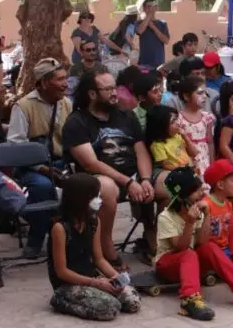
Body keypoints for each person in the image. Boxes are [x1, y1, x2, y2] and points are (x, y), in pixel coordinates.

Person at [64, 66, 168, 268]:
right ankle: (105, 247)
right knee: (108, 187)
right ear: (92, 94)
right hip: (95, 179)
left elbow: (141, 151)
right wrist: (129, 182)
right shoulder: (76, 122)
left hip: (134, 176)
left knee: (169, 184)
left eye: (114, 87)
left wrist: (145, 179)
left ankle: (157, 238)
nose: (114, 93)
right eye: (108, 89)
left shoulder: (126, 116)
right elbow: (90, 163)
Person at [154, 167, 233, 320]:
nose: (202, 195)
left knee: (210, 246)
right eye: (197, 191)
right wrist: (190, 223)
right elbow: (181, 248)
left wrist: (207, 216)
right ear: (182, 197)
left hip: (190, 262)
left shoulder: (197, 210)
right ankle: (189, 300)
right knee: (188, 254)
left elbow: (202, 242)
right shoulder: (166, 217)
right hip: (168, 265)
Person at [48, 174, 141, 320]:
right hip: (68, 283)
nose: (99, 200)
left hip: (91, 277)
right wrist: (95, 283)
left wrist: (115, 277)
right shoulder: (60, 228)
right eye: (94, 196)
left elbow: (99, 259)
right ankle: (60, 300)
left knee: (132, 299)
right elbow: (62, 271)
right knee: (110, 308)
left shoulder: (93, 221)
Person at [7, 58, 72, 258]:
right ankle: (36, 238)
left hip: (60, 161)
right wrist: (44, 169)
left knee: (82, 183)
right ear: (44, 83)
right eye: (59, 79)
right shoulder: (23, 106)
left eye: (65, 78)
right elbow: (15, 146)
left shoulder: (66, 104)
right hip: (31, 167)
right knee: (44, 186)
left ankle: (70, 240)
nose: (65, 84)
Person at [175, 75, 215, 176]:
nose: (205, 96)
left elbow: (210, 142)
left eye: (205, 93)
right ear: (186, 96)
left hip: (205, 162)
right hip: (188, 163)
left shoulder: (207, 117)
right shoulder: (178, 119)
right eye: (200, 93)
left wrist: (212, 164)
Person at [203, 159, 233, 252]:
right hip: (212, 251)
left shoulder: (229, 204)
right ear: (220, 185)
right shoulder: (206, 205)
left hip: (227, 248)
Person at [147, 105, 196, 172]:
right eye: (173, 122)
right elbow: (166, 165)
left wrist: (186, 138)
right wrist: (183, 171)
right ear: (161, 127)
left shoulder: (177, 136)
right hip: (179, 175)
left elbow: (194, 153)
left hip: (190, 170)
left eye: (176, 119)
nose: (177, 123)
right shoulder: (157, 145)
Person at [101, 5, 138, 76]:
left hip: (109, 51)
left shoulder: (122, 23)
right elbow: (127, 37)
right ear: (135, 16)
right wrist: (133, 46)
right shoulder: (131, 26)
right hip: (118, 52)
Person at [136, 0, 170, 69]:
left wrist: (153, 27)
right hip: (144, 63)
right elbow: (139, 31)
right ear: (144, 9)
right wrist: (149, 16)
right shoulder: (139, 23)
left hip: (159, 62)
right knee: (145, 79)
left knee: (158, 80)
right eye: (148, 6)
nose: (151, 9)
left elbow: (166, 41)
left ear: (156, 8)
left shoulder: (162, 23)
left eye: (153, 6)